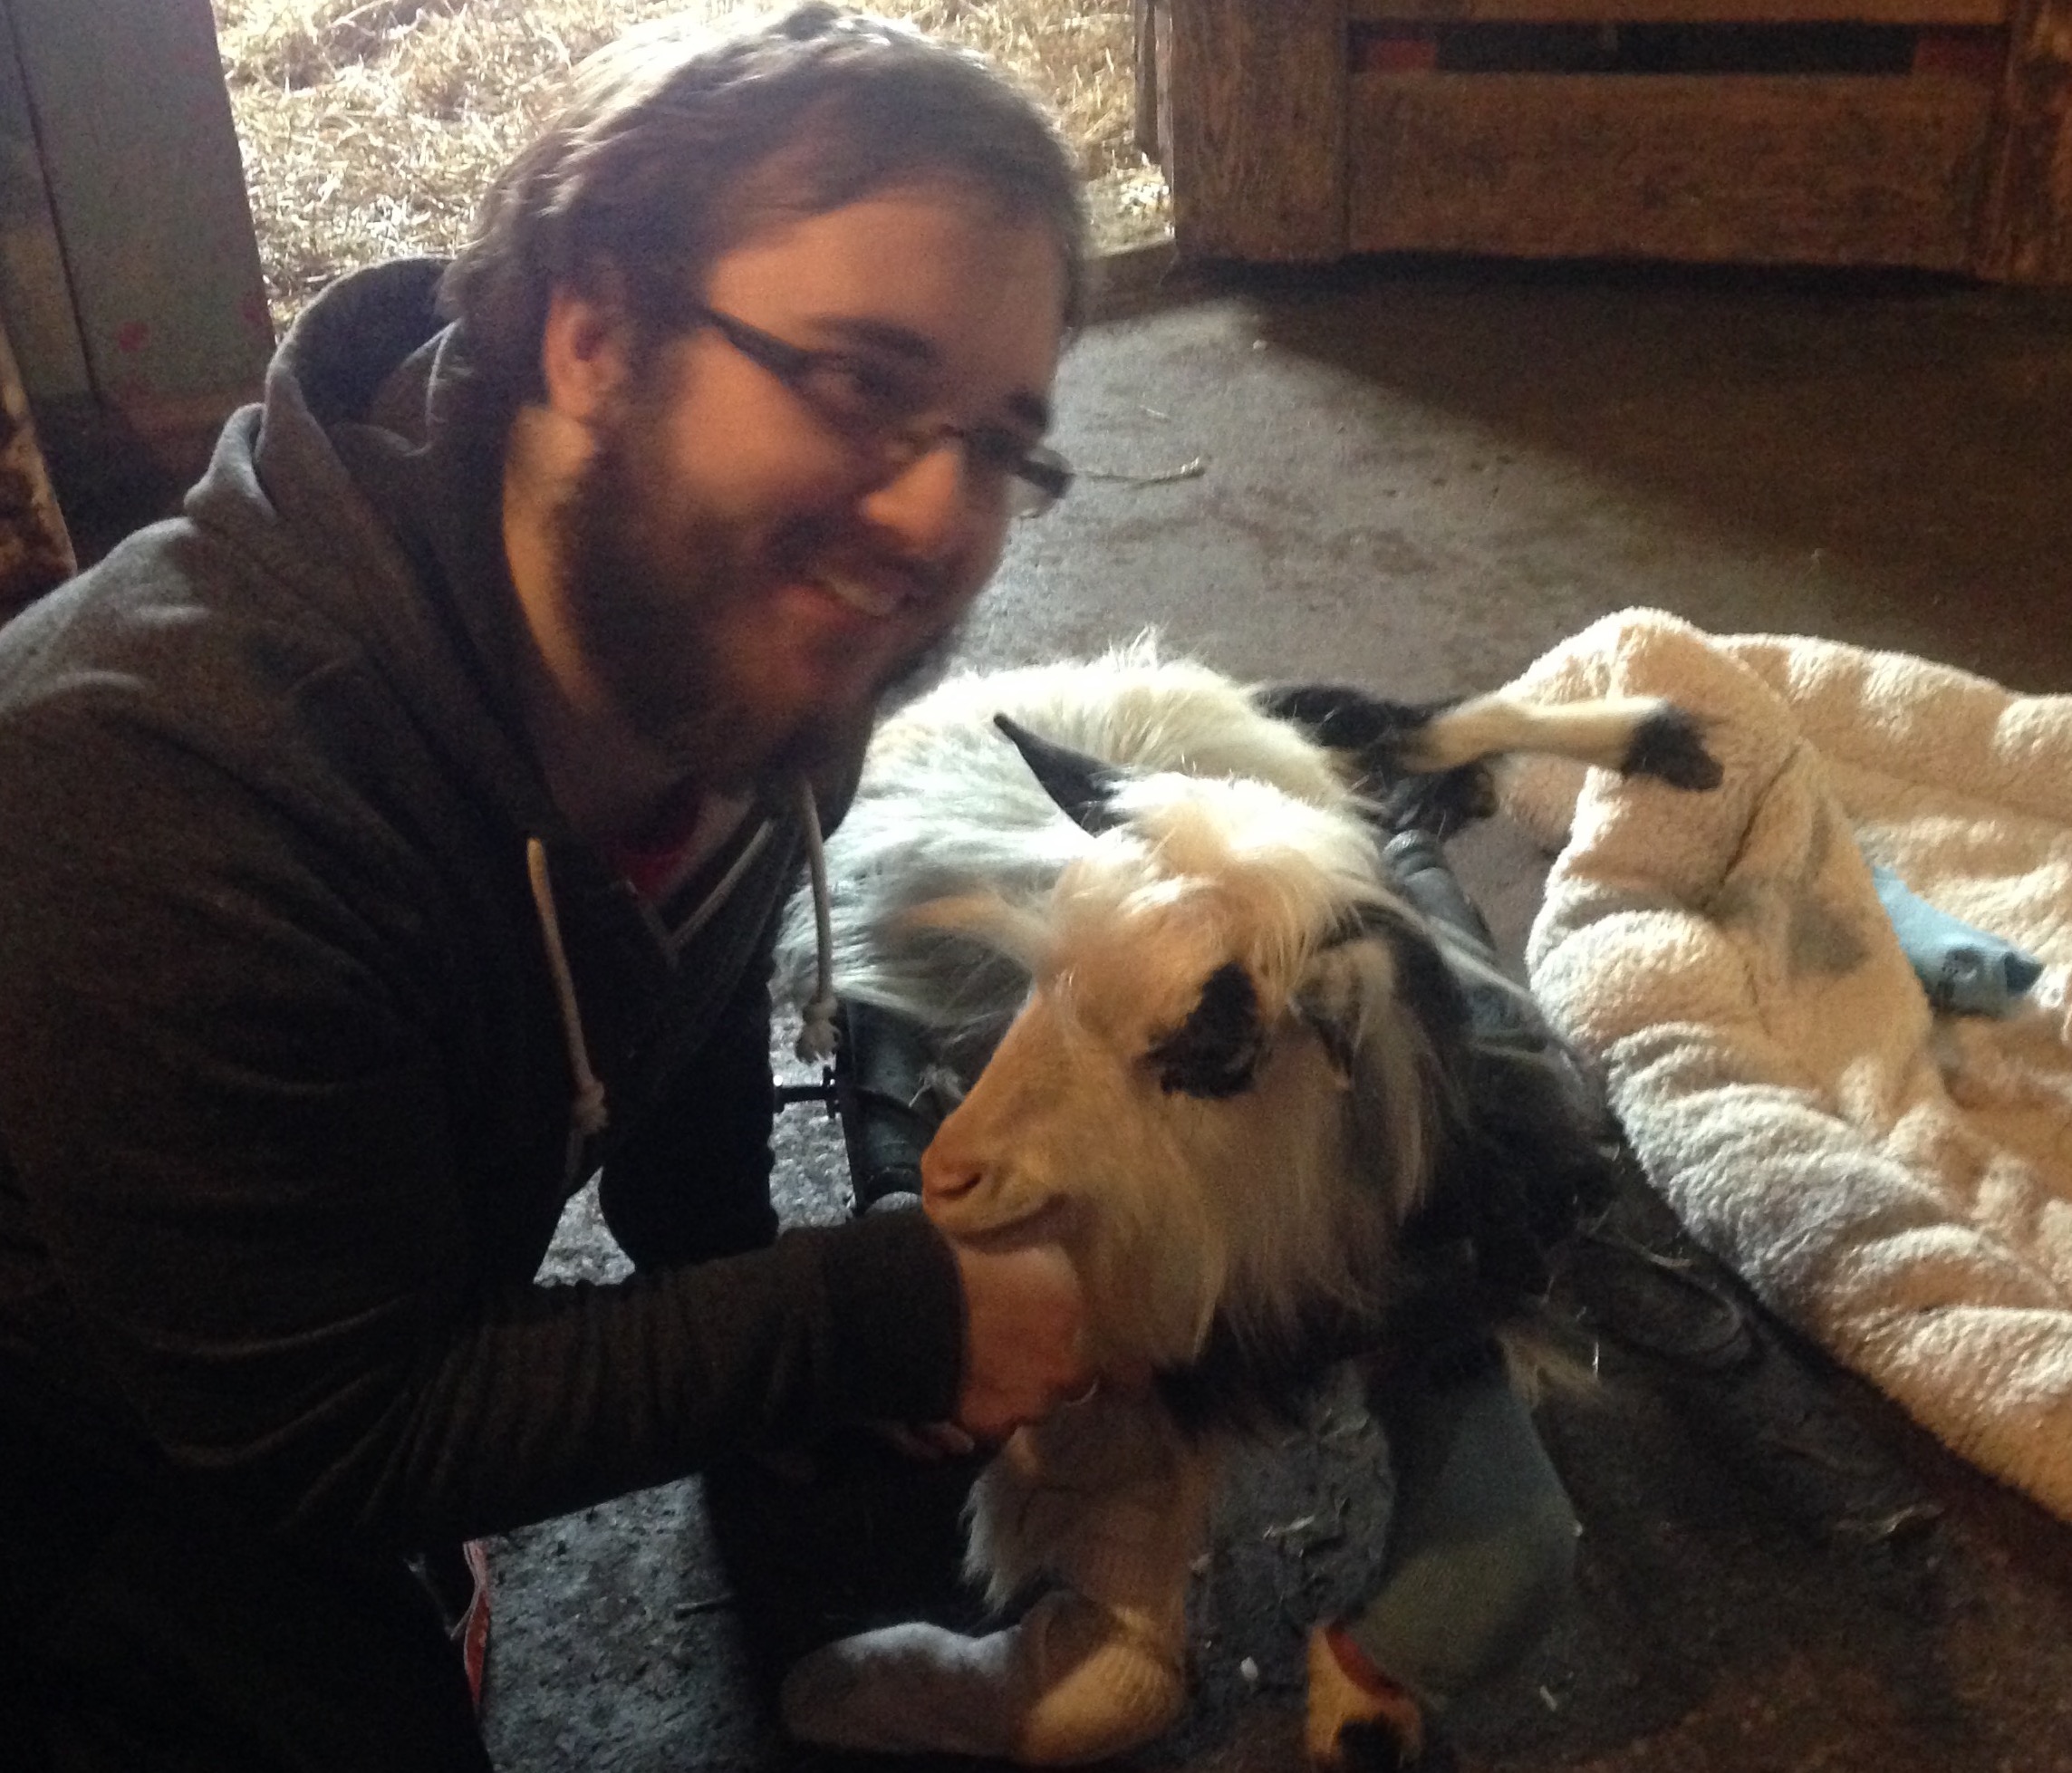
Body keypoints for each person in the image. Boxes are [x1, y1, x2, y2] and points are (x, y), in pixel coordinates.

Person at [0, 7, 1094, 1767]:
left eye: (998, 443)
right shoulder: (165, 792)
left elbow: (687, 971)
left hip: (309, 1305)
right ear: (593, 330)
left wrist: (735, 1296)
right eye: (859, 383)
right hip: (97, 1458)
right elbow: (327, 1428)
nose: (932, 518)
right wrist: (860, 1315)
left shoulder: (720, 632)